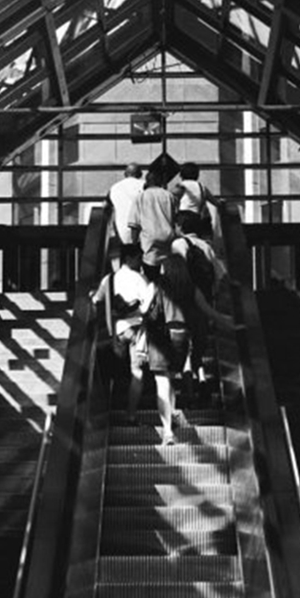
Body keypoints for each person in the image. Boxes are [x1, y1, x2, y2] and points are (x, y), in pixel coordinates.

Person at [143, 252, 238, 442]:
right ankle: (173, 415)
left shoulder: (156, 286)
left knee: (162, 383)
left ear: (167, 268)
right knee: (170, 379)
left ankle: (168, 430)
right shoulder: (191, 289)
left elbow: (144, 311)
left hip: (159, 337)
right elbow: (210, 312)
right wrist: (233, 324)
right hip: (181, 337)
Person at [90, 243, 151, 423]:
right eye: (138, 258)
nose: (140, 262)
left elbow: (96, 300)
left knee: (114, 371)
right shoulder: (140, 278)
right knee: (137, 372)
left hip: (115, 331)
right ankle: (130, 414)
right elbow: (149, 304)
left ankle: (108, 412)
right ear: (129, 258)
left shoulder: (108, 279)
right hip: (136, 329)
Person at [127, 170, 177, 280]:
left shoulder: (141, 197)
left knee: (151, 274)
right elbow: (175, 218)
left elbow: (134, 224)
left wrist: (134, 243)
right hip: (168, 238)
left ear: (147, 181)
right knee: (168, 273)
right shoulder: (169, 196)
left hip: (149, 241)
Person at [105, 163, 144, 267]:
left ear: (125, 174)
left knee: (125, 259)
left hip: (122, 230)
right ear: (140, 174)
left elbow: (106, 206)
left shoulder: (114, 188)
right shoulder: (144, 186)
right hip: (142, 230)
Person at [172, 161, 220, 236]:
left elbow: (171, 196)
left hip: (184, 217)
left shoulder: (182, 185)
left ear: (182, 174)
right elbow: (215, 202)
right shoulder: (202, 186)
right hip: (197, 217)